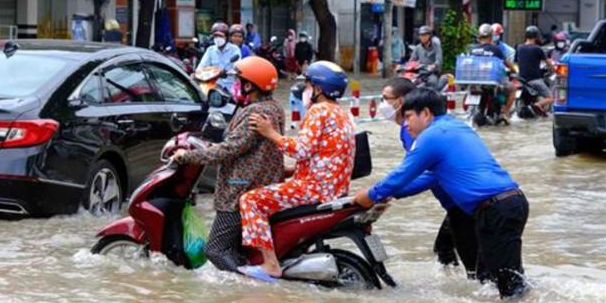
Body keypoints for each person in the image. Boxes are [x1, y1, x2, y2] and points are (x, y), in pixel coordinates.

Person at [354, 87, 530, 300]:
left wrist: (372, 194)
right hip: (503, 205)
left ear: (426, 114)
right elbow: (430, 176)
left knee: (509, 287)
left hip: (497, 209)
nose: (406, 124)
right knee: (490, 280)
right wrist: (387, 193)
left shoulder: (431, 137)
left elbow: (403, 174)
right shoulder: (454, 125)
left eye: (409, 116)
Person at [239, 61, 355, 281]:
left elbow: (301, 150)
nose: (305, 90)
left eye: (308, 85)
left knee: (250, 200)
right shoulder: (343, 114)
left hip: (314, 190)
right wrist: (291, 171)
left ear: (318, 89)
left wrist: (270, 132)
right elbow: (326, 155)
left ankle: (270, 264)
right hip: (334, 189)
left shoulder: (318, 110)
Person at [173, 57, 285, 272]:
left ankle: (247, 281)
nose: (236, 85)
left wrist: (187, 156)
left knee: (215, 249)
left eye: (239, 81)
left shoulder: (255, 113)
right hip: (264, 182)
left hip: (242, 188)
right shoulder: (274, 108)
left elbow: (229, 149)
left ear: (249, 85)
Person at [378, 77, 485, 279]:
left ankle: (473, 297)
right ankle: (457, 289)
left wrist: (389, 192)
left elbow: (428, 174)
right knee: (444, 249)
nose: (381, 104)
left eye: (386, 98)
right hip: (460, 201)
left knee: (471, 264)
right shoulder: (416, 129)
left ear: (400, 101)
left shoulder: (415, 131)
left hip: (461, 202)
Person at [468, 23, 517, 120]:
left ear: (479, 37)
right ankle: (504, 112)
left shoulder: (473, 50)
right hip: (491, 82)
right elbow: (507, 64)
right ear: (491, 37)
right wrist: (514, 69)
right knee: (513, 89)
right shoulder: (496, 50)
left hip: (475, 81)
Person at [516, 26, 555, 115]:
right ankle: (538, 104)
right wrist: (555, 69)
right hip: (534, 80)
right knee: (551, 98)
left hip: (521, 79)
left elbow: (517, 61)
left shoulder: (519, 47)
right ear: (536, 36)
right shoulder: (538, 49)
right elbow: (548, 63)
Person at [196, 22, 241, 93]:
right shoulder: (210, 50)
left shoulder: (234, 49)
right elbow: (201, 67)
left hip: (230, 87)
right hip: (214, 86)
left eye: (220, 36)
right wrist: (198, 73)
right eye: (215, 36)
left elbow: (237, 67)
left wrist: (229, 72)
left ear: (226, 37)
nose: (218, 38)